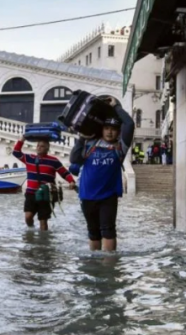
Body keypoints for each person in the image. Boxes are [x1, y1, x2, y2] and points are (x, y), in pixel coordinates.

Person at [69, 97, 135, 252]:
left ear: (118, 131)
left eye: (113, 128)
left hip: (108, 197)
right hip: (86, 196)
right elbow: (74, 158)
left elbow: (130, 124)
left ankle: (109, 268)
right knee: (93, 233)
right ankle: (94, 265)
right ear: (101, 129)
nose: (110, 131)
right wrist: (81, 139)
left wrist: (117, 106)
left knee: (108, 230)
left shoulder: (120, 148)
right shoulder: (90, 144)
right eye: (106, 128)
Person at [13, 138, 76, 231]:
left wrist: (71, 181)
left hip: (46, 194)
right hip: (31, 194)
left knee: (43, 222)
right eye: (38, 145)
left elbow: (64, 173)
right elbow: (16, 152)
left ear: (47, 149)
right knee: (28, 217)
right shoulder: (29, 158)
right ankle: (31, 231)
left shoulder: (54, 161)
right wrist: (22, 139)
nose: (39, 148)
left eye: (42, 146)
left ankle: (43, 242)